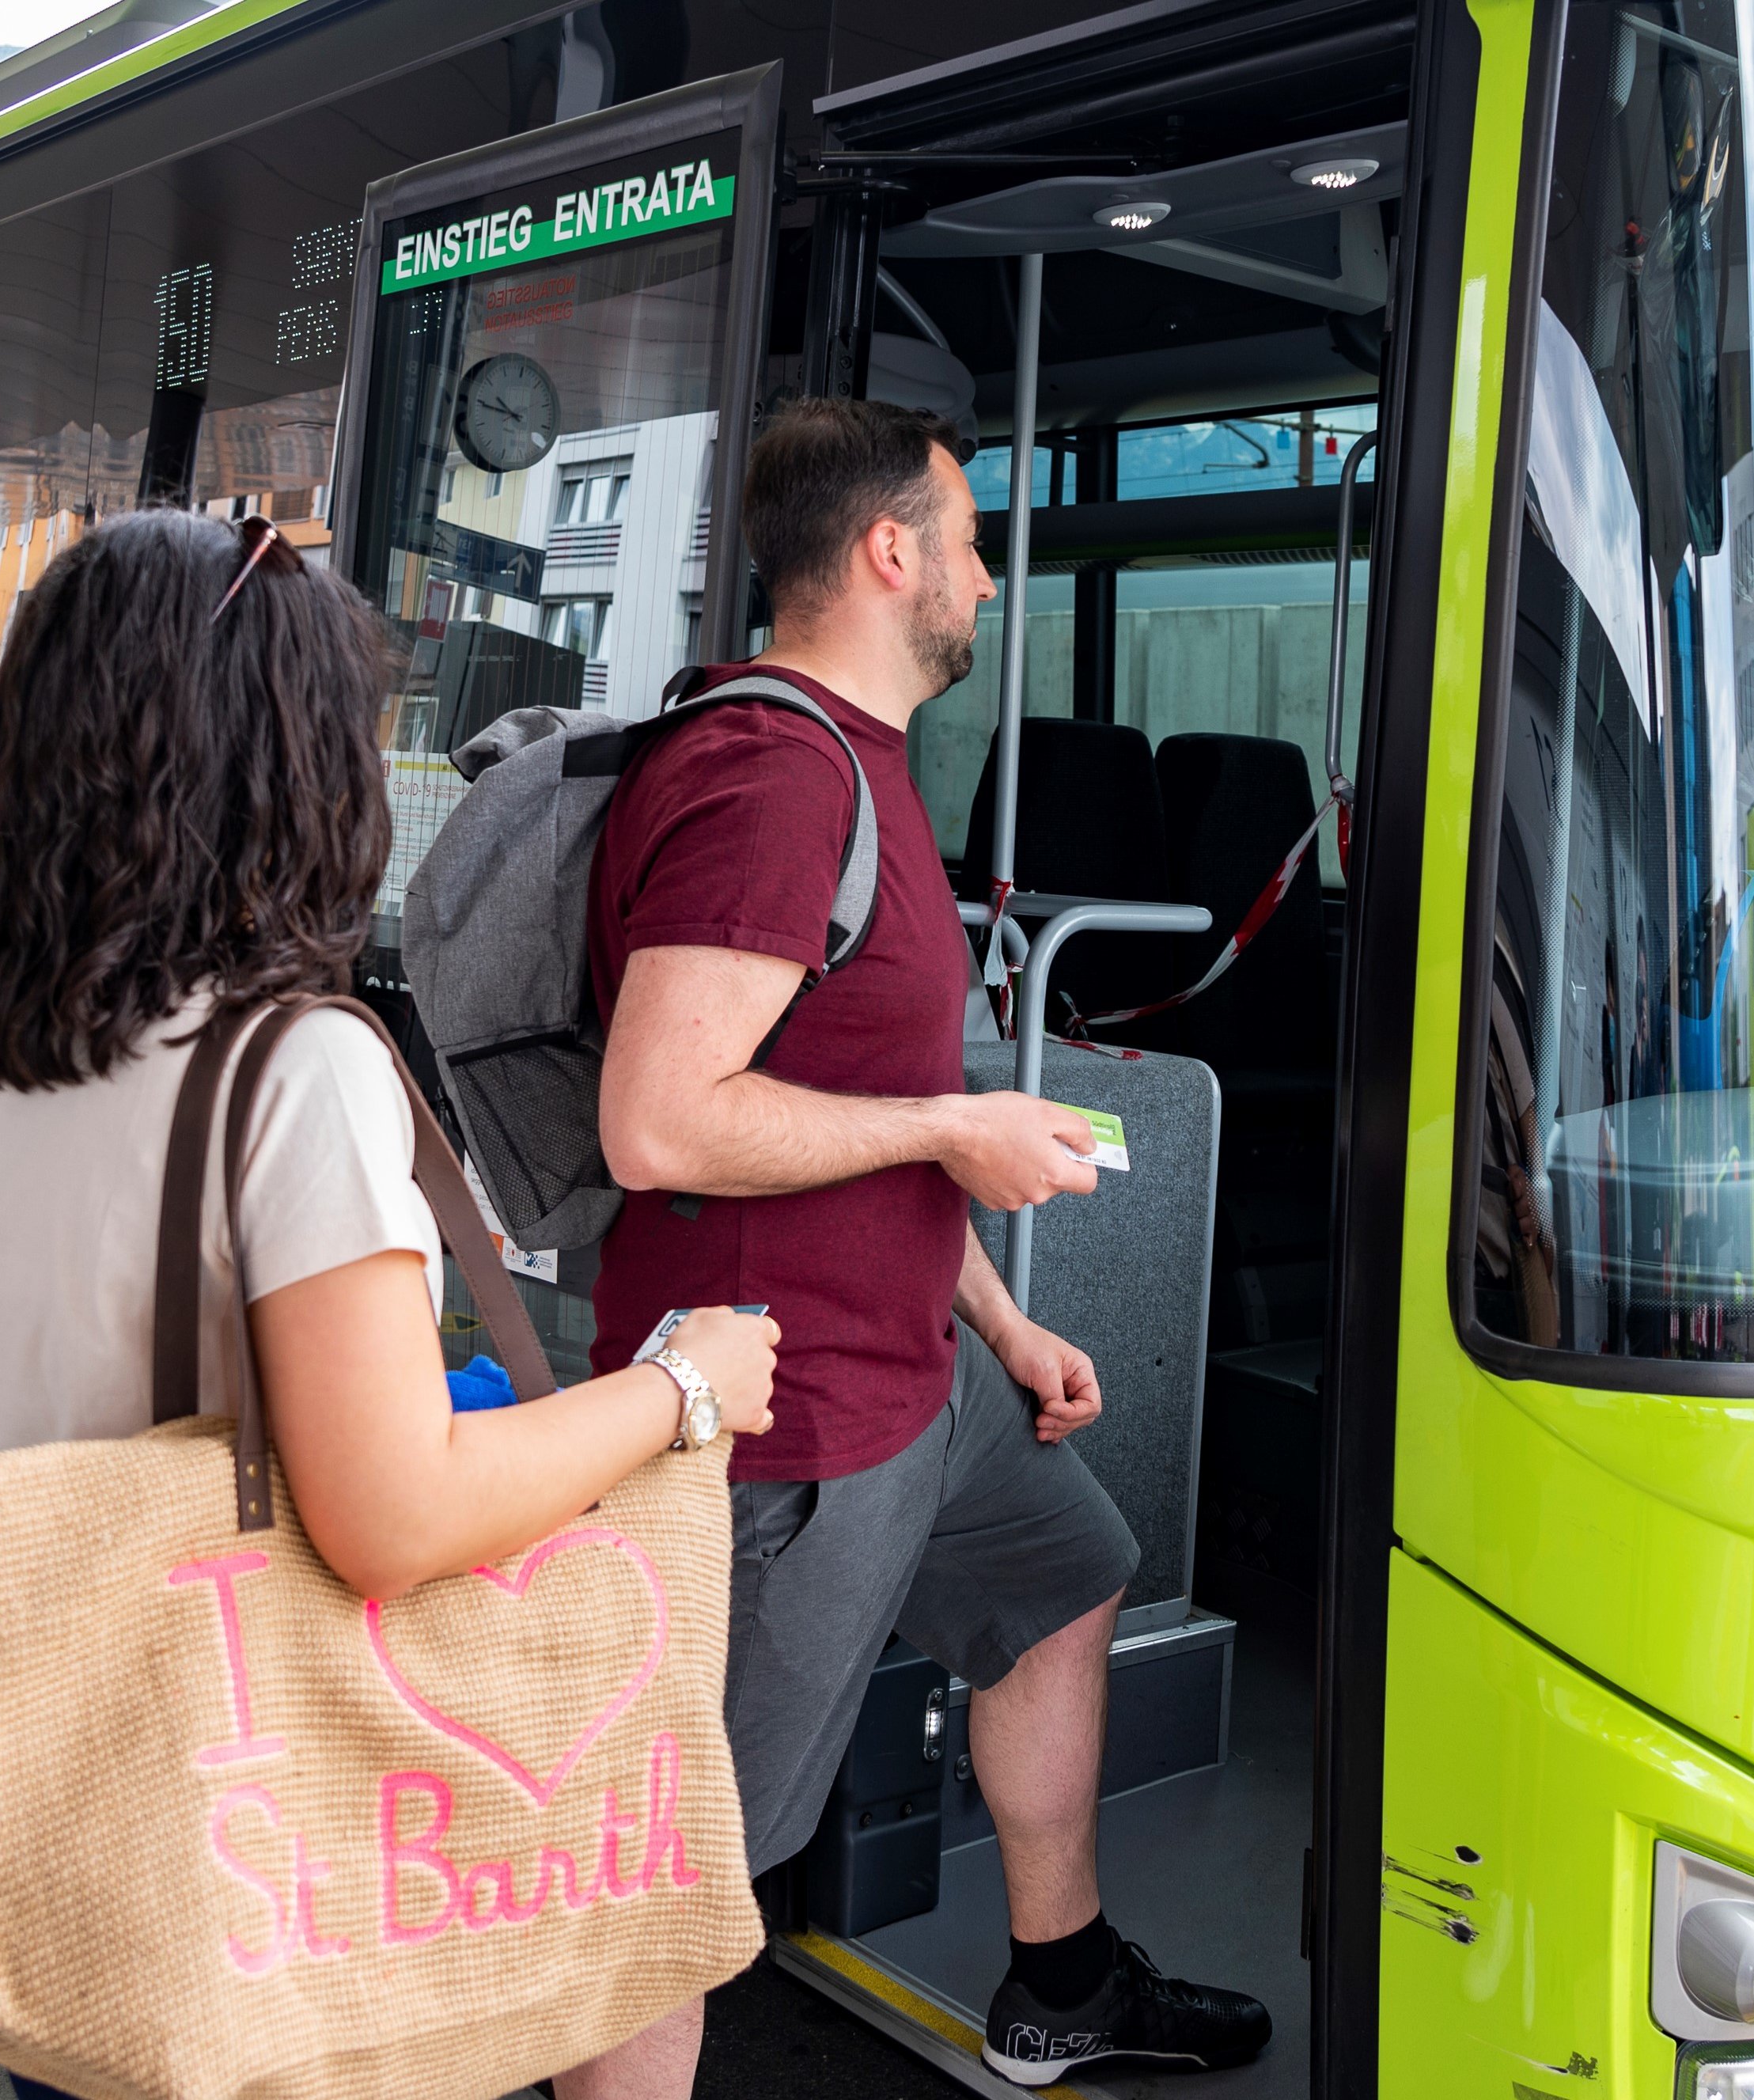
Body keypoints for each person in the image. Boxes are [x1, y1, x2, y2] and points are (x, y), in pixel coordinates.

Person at [0, 509, 779, 2100]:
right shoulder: (290, 1071)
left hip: (107, 1862)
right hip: (265, 1889)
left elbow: (2, 1457)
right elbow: (388, 1515)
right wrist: (681, 1387)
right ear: (291, 765)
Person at [574, 397, 1272, 2092]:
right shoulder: (769, 776)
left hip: (916, 1381)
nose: (987, 577)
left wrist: (997, 1323)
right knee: (674, 1877)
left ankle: (1062, 1983)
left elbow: (856, 1097)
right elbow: (658, 1121)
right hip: (778, 1430)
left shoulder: (861, 761)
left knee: (1067, 1574)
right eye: (967, 541)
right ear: (890, 553)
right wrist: (953, 1133)